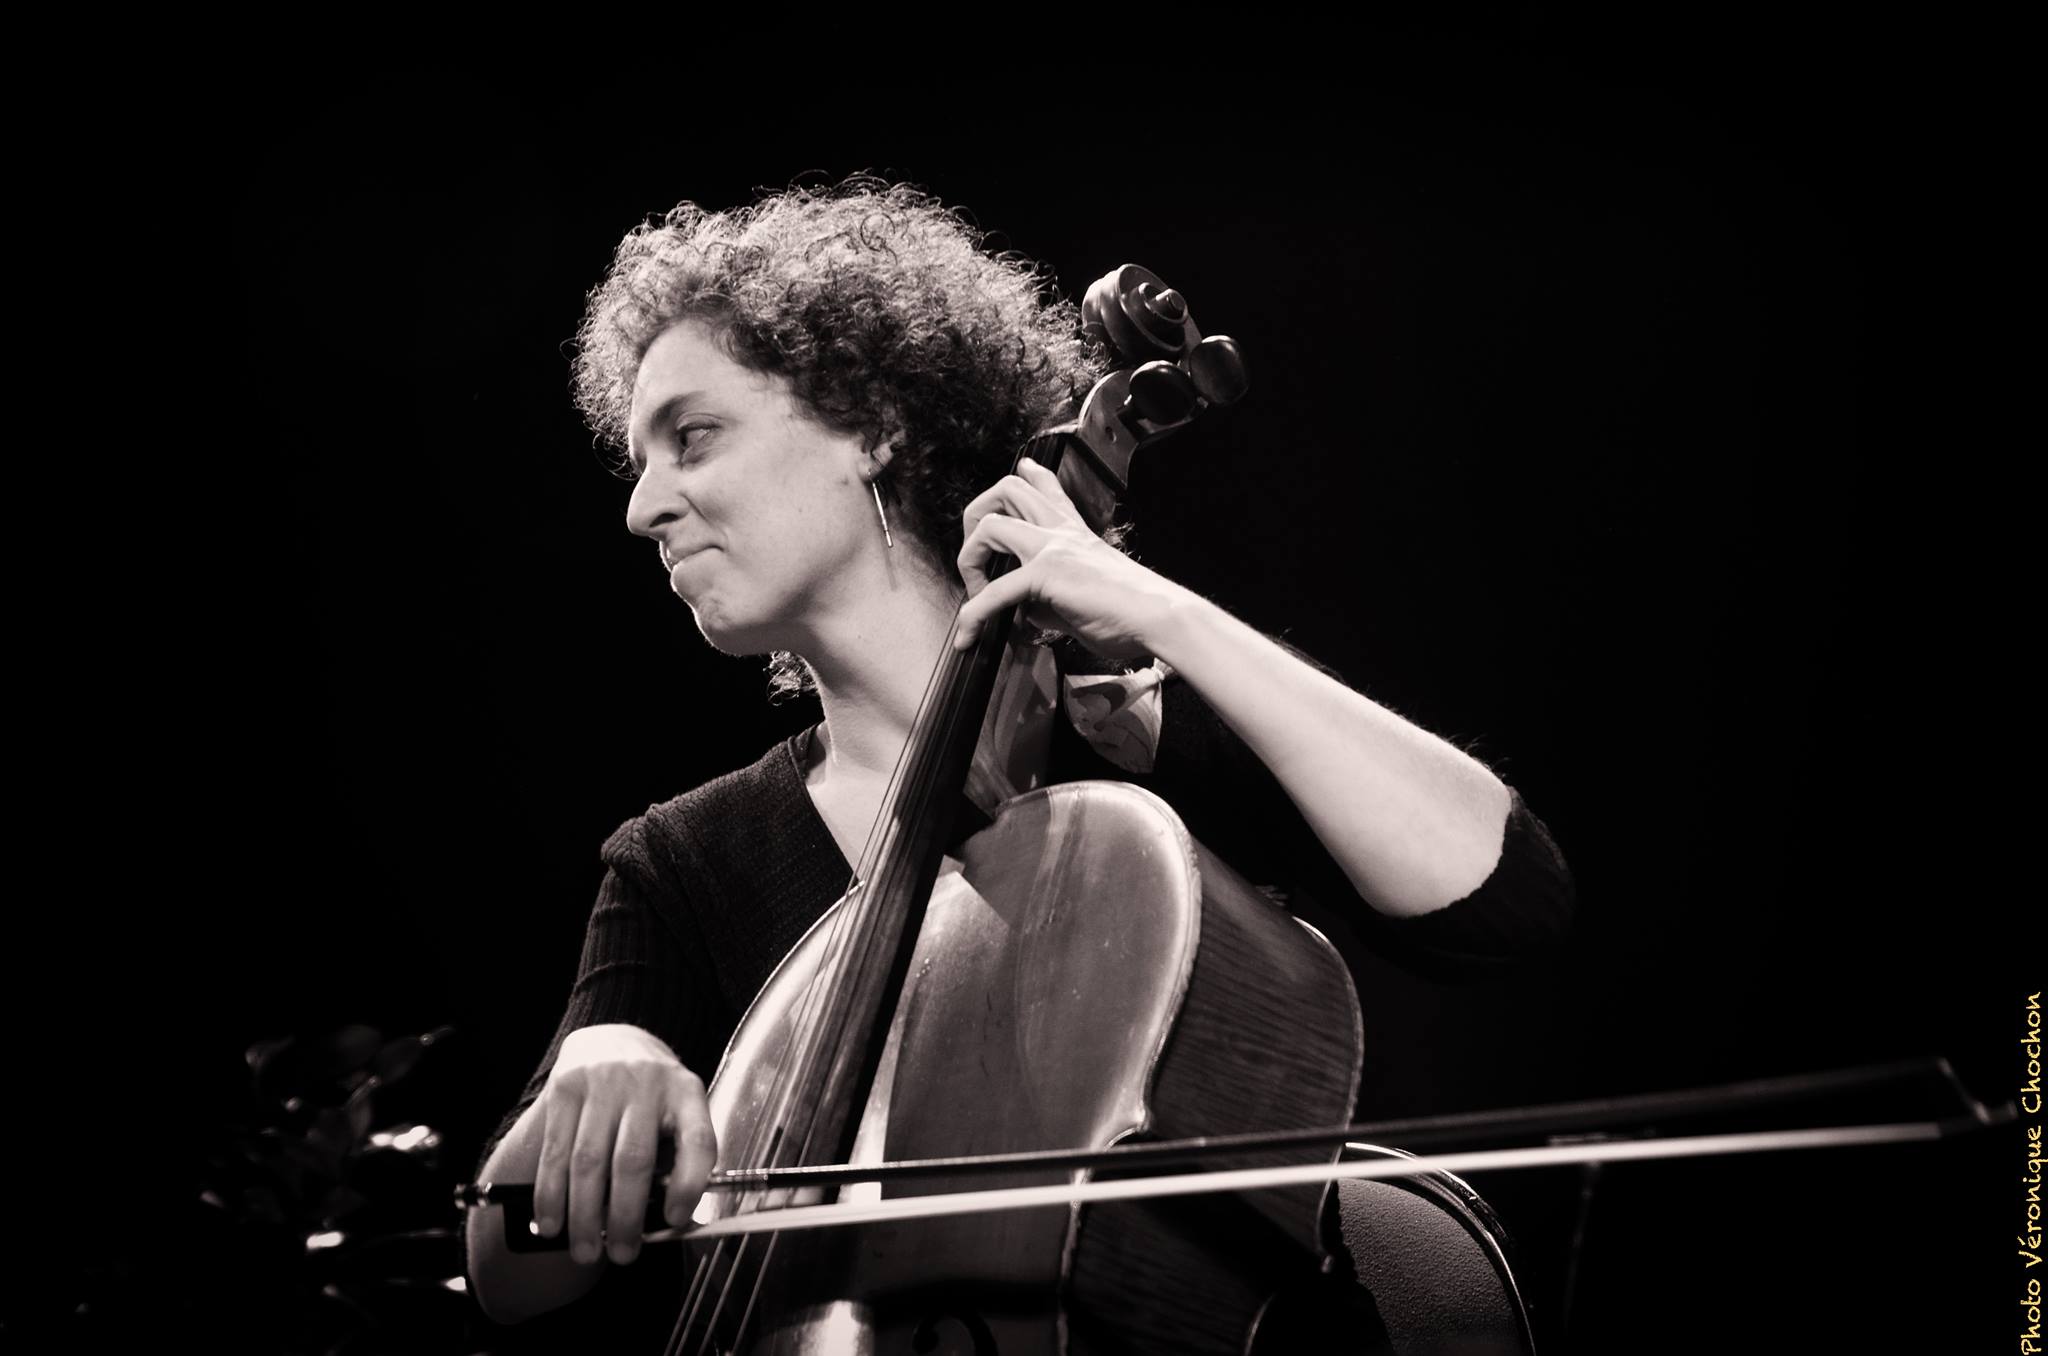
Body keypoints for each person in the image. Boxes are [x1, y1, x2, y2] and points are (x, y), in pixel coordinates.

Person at [463, 178, 1574, 1341]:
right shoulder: (688, 859)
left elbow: (1502, 903)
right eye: (638, 461)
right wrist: (603, 1052)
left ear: (869, 425)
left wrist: (1162, 615)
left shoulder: (1137, 741)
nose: (642, 508)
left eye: (693, 437)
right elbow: (512, 1279)